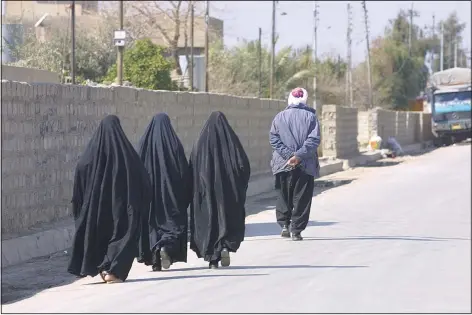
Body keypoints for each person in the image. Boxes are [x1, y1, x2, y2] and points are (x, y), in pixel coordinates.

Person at [67, 115, 152, 283]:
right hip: (122, 209)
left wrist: (83, 209)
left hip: (96, 212)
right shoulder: (128, 156)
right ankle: (113, 270)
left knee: (98, 236)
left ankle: (103, 268)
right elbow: (144, 181)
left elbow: (79, 184)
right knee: (121, 236)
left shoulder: (88, 158)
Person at [189, 111, 251, 269]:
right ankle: (224, 246)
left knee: (209, 222)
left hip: (206, 193)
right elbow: (243, 165)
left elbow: (192, 167)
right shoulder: (231, 142)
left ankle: (212, 258)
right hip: (228, 194)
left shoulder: (200, 143)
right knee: (228, 219)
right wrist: (238, 185)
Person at [137, 113, 190, 271]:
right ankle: (166, 247)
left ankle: (155, 260)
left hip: (149, 197)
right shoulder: (174, 144)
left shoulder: (143, 145)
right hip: (170, 196)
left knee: (152, 225)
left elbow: (136, 169)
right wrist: (185, 194)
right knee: (171, 223)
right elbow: (183, 172)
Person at [269, 87, 320, 241]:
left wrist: (289, 155)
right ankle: (296, 231)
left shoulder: (279, 117)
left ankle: (284, 224)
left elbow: (274, 139)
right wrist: (298, 156)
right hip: (305, 164)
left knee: (283, 195)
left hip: (282, 164)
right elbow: (313, 140)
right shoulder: (311, 118)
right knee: (302, 197)